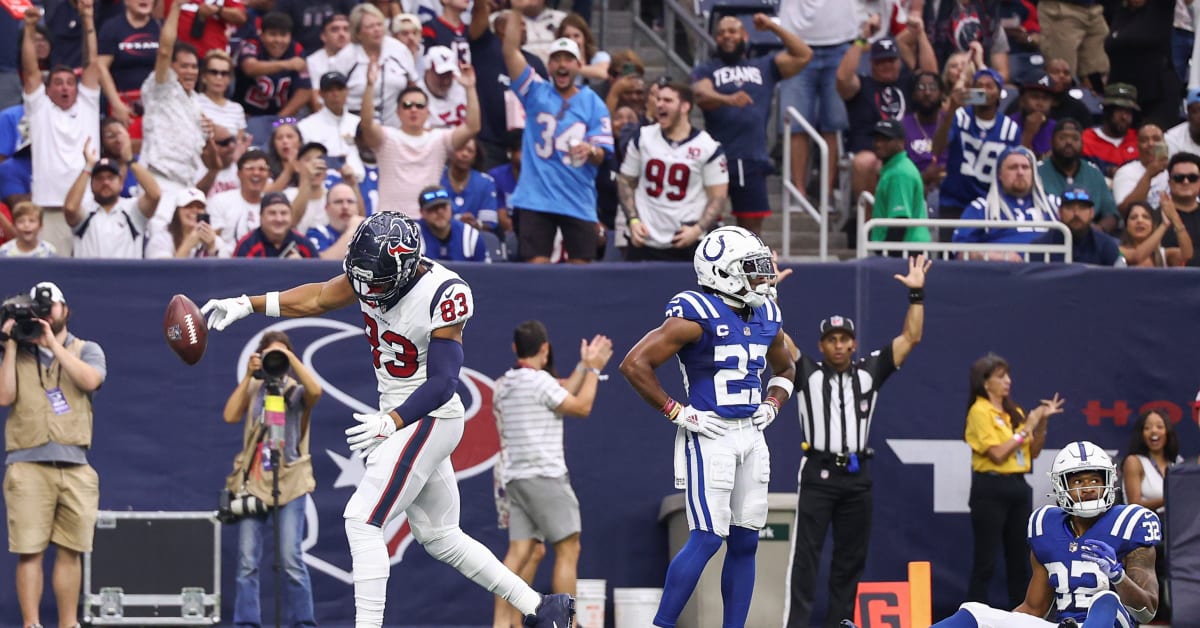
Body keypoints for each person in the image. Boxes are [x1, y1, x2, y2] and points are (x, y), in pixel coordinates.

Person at [200, 212, 577, 628]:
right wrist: (247, 304)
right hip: (401, 414)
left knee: (361, 520)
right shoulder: (373, 271)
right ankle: (542, 608)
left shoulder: (444, 292)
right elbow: (320, 297)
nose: (365, 290)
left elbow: (445, 383)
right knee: (440, 536)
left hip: (428, 414)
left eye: (375, 281)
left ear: (406, 266)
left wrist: (392, 421)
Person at [619, 226, 793, 628]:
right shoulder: (696, 314)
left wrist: (774, 402)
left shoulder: (766, 313)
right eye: (752, 269)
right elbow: (634, 364)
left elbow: (786, 366)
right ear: (724, 272)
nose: (762, 278)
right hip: (711, 434)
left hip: (752, 433)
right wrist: (676, 411)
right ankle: (660, 625)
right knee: (708, 537)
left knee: (747, 539)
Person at [783, 255, 930, 628]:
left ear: (853, 344)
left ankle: (841, 624)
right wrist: (766, 293)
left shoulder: (869, 371)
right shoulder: (806, 372)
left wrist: (916, 295)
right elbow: (776, 338)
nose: (837, 345)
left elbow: (911, 338)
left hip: (857, 475)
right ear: (820, 345)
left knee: (850, 559)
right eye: (831, 339)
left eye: (844, 339)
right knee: (806, 558)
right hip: (817, 473)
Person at [933, 441, 1160, 628]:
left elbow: (1147, 612)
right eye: (1078, 481)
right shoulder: (1046, 526)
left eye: (1095, 480)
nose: (1088, 488)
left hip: (1114, 624)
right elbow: (1034, 608)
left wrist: (1119, 577)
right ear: (1062, 487)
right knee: (974, 613)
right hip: (1064, 626)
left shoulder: (1131, 523)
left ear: (1108, 483)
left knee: (1105, 600)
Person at [492, 321, 613, 628]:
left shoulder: (505, 383)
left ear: (515, 349)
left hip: (515, 480)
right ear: (544, 349)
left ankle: (503, 623)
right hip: (545, 477)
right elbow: (581, 406)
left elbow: (559, 391)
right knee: (568, 548)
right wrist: (595, 370)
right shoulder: (540, 383)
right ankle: (567, 624)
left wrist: (583, 366)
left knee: (522, 551)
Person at [1, 282, 106, 628]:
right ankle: (31, 624)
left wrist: (52, 345)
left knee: (71, 550)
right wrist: (11, 346)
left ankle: (67, 624)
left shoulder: (87, 348)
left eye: (52, 307)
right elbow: (5, 396)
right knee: (30, 551)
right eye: (39, 309)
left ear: (66, 310)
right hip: (27, 463)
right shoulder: (16, 352)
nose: (46, 314)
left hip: (75, 463)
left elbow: (90, 381)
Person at [221, 330, 320, 628]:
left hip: (290, 481)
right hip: (255, 482)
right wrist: (250, 377)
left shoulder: (296, 390)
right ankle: (246, 624)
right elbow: (229, 416)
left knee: (291, 561)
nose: (277, 360)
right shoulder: (255, 390)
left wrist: (289, 359)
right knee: (247, 563)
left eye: (283, 355)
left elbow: (315, 392)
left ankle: (303, 624)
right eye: (271, 355)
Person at [502, 6, 612, 264]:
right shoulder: (535, 92)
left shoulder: (593, 103)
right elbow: (509, 51)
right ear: (549, 64)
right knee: (535, 272)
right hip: (536, 197)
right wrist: (516, 11)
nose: (562, 65)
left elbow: (602, 154)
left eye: (568, 59)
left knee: (581, 274)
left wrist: (591, 150)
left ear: (578, 64)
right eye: (557, 59)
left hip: (577, 198)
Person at [691, 14, 811, 235]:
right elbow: (700, 93)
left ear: (745, 36)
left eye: (732, 31)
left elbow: (804, 55)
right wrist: (728, 99)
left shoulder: (764, 66)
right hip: (716, 158)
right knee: (706, 224)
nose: (726, 35)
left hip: (751, 158)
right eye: (721, 32)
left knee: (751, 229)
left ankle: (752, 269)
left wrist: (773, 27)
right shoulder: (707, 69)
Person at [962, 353, 1063, 609]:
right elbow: (997, 454)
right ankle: (974, 618)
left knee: (1020, 560)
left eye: (1007, 375)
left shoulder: (1013, 411)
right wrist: (1026, 427)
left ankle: (1021, 618)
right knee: (985, 561)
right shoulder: (979, 411)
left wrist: (1041, 424)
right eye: (1000, 376)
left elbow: (1033, 453)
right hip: (991, 487)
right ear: (986, 383)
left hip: (1018, 487)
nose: (1008, 381)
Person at [21, 2, 101, 256]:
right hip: (50, 208)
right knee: (52, 278)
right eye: (58, 83)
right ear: (48, 89)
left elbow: (92, 66)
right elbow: (31, 70)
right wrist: (30, 28)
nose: (65, 87)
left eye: (70, 82)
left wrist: (87, 19)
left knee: (91, 279)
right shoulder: (40, 109)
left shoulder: (88, 105)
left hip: (88, 207)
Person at [617, 81, 728, 262]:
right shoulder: (643, 138)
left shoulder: (707, 147)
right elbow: (625, 181)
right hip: (645, 237)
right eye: (658, 99)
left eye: (668, 100)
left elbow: (718, 196)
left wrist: (698, 229)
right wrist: (633, 220)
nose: (660, 104)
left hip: (687, 239)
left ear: (685, 107)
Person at [932, 68, 1022, 242]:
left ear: (999, 93)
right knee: (951, 261)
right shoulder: (959, 117)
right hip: (954, 202)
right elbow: (937, 148)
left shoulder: (1010, 129)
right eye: (978, 86)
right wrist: (951, 109)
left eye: (989, 86)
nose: (983, 90)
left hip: (991, 205)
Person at [1123, 410, 1181, 623]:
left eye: (1159, 426)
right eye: (1148, 427)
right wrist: (1171, 496)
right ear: (1141, 433)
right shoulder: (1134, 461)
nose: (1153, 431)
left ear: (1167, 432)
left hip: (1178, 532)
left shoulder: (1178, 463)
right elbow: (1135, 503)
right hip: (1147, 534)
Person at [953, 146, 1059, 259]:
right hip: (1001, 273)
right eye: (1013, 168)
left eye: (1025, 167)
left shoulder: (1053, 204)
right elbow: (959, 250)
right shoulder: (981, 208)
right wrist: (994, 256)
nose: (1020, 172)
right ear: (999, 174)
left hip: (1048, 272)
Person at [63, 146, 161, 259]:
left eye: (111, 177)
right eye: (99, 178)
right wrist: (88, 166)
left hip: (125, 276)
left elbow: (155, 195)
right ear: (91, 183)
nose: (105, 182)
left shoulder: (132, 210)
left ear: (121, 183)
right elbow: (70, 208)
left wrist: (130, 160)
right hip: (88, 276)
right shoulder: (85, 211)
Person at [1037, 119, 1119, 233]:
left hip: (1088, 239)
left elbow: (1111, 214)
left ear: (1082, 143)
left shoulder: (1094, 173)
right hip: (1048, 237)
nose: (1069, 142)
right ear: (1051, 142)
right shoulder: (1037, 172)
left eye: (1075, 138)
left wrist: (1099, 230)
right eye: (1062, 138)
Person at [866, 119, 931, 246]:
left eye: (886, 140)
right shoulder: (894, 169)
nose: (878, 144)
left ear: (901, 142)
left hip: (906, 250)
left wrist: (888, 256)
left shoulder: (899, 173)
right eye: (877, 139)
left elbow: (899, 221)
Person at [1031, 188, 1125, 266]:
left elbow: (1117, 281)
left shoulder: (1106, 245)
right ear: (1060, 212)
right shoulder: (1041, 246)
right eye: (1070, 208)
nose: (1076, 214)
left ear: (1092, 213)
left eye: (1082, 208)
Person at [145, 187, 227, 258]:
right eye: (188, 206)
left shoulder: (214, 240)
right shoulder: (161, 240)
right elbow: (166, 273)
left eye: (200, 207)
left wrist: (212, 248)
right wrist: (188, 244)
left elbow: (226, 272)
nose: (194, 210)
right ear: (177, 211)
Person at [1081, 84, 1140, 179]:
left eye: (1128, 111)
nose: (1124, 117)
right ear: (1107, 111)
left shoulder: (1140, 140)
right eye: (1119, 110)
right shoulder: (1085, 139)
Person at [233, 191, 317, 258]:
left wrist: (302, 267)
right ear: (261, 216)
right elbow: (237, 277)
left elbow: (319, 276)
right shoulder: (247, 245)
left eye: (284, 213)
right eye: (272, 213)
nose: (279, 219)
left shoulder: (304, 245)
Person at [415, 185, 488, 262]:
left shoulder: (469, 235)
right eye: (433, 208)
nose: (440, 212)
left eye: (443, 206)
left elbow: (484, 272)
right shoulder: (413, 237)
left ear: (450, 207)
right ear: (422, 212)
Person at [1114, 124, 1170, 214]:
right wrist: (1148, 175)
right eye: (1144, 140)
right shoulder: (1125, 172)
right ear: (1138, 146)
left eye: (1156, 139)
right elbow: (1125, 210)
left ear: (1165, 143)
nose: (1151, 144)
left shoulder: (1176, 169)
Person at [1119, 199, 1194, 267]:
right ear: (1126, 226)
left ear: (1153, 225)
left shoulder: (1164, 255)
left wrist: (1175, 217)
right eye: (1133, 217)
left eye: (1146, 217)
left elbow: (1187, 255)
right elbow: (1137, 257)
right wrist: (1164, 225)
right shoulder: (1119, 250)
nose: (1139, 221)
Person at [1159, 152, 1200, 267]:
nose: (1185, 182)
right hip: (1173, 281)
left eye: (1192, 178)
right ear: (1169, 182)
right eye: (1179, 178)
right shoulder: (1154, 216)